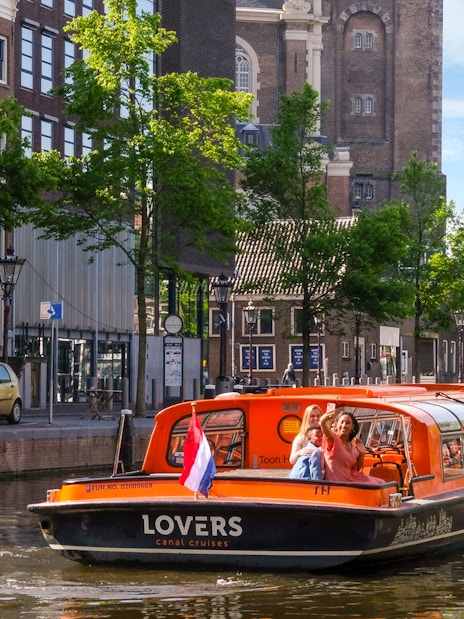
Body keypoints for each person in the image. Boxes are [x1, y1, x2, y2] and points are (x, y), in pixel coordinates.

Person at [319, 405, 384, 485]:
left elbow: (357, 469)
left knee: (381, 482)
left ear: (352, 426)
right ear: (337, 425)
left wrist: (362, 454)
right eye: (341, 422)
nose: (344, 426)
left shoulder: (353, 447)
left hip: (351, 480)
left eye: (347, 423)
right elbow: (327, 432)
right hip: (337, 484)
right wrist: (322, 422)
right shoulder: (334, 439)